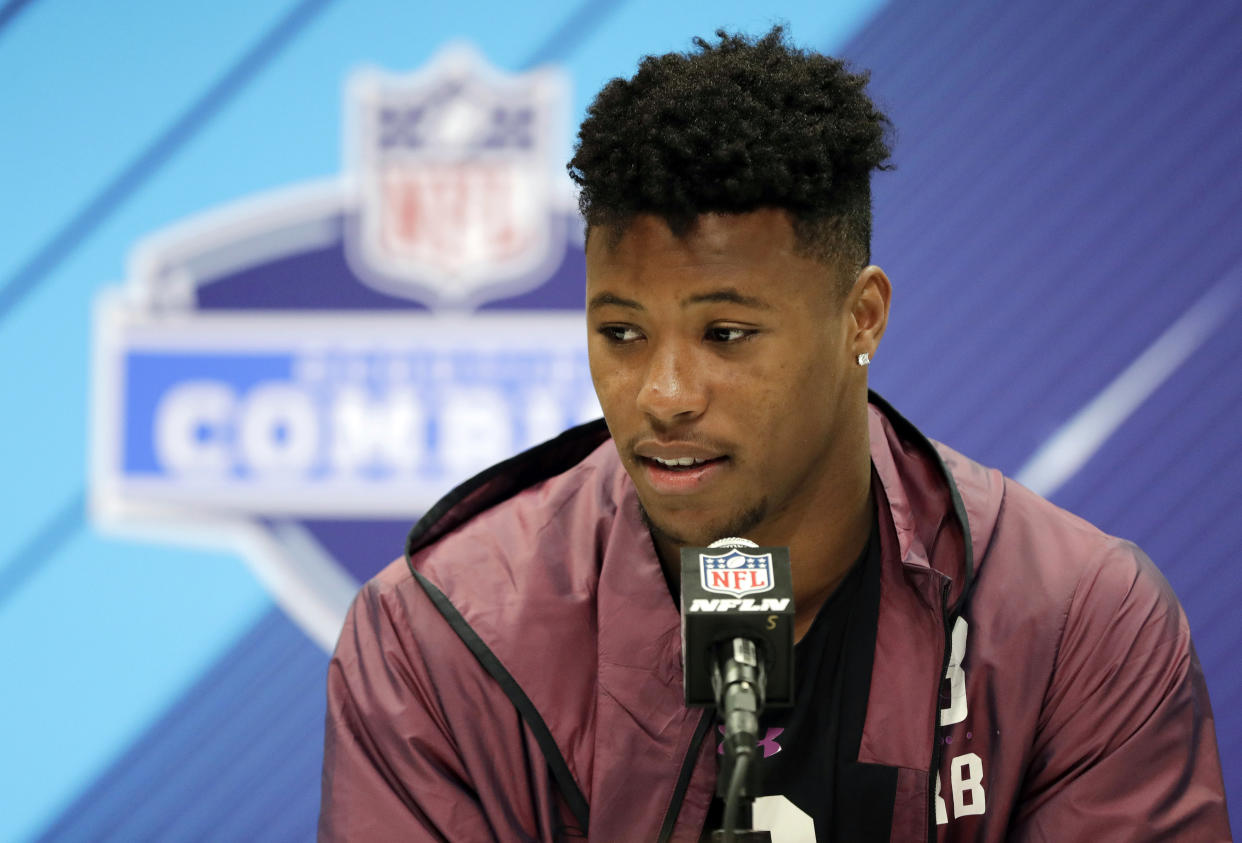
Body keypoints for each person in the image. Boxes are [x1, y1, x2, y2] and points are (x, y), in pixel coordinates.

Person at [319, 28, 1230, 841]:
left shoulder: (1078, 622)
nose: (663, 395)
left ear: (861, 317)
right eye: (622, 333)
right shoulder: (437, 639)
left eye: (726, 334)